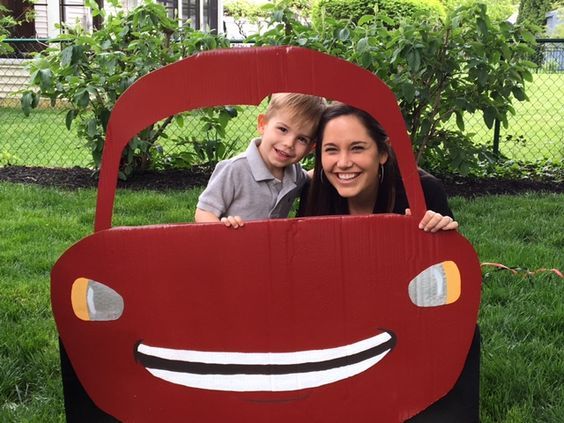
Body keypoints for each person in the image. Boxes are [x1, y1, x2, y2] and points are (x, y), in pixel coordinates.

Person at [300, 102, 480, 422]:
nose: (343, 163)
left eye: (357, 148)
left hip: (411, 324)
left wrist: (438, 243)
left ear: (382, 152)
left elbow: (446, 289)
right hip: (345, 322)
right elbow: (306, 277)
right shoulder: (315, 194)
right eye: (331, 150)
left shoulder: (421, 191)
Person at [195, 93, 326, 228]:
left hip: (270, 246)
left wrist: (332, 169)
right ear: (263, 124)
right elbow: (204, 211)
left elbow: (309, 179)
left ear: (311, 147)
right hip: (234, 244)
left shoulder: (294, 172)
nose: (289, 143)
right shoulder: (235, 169)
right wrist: (222, 231)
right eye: (283, 129)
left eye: (302, 139)